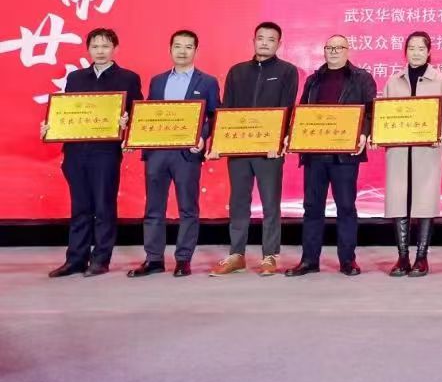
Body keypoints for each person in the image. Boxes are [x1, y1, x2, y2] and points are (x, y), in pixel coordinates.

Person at [44, 28, 143, 278]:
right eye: (95, 46)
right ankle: (75, 259)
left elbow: (138, 113)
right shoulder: (76, 78)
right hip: (76, 152)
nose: (100, 51)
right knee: (80, 207)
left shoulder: (128, 78)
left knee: (103, 206)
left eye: (105, 46)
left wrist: (127, 123)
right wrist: (50, 127)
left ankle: (100, 259)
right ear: (88, 49)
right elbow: (68, 112)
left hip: (105, 152)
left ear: (115, 49)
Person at [209, 22, 299, 277]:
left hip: (269, 150)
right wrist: (219, 143)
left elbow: (287, 108)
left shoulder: (287, 71)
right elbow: (227, 109)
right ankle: (236, 255)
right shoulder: (237, 71)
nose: (265, 43)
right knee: (238, 201)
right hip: (239, 149)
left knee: (270, 203)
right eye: (260, 38)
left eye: (271, 39)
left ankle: (270, 255)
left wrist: (278, 142)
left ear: (278, 44)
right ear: (254, 40)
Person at [128, 30, 220, 279]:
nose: (182, 51)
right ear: (170, 49)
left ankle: (183, 259)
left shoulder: (207, 82)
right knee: (153, 208)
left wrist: (203, 137)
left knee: (188, 208)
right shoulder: (157, 81)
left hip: (187, 155)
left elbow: (214, 115)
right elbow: (149, 114)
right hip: (157, 152)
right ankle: (154, 259)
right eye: (178, 46)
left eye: (188, 47)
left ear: (196, 51)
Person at [286, 34, 376, 277]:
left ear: (348, 50)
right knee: (312, 208)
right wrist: (293, 136)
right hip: (315, 155)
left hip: (344, 155)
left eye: (339, 47)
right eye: (329, 47)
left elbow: (371, 111)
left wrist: (364, 133)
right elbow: (302, 114)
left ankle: (347, 260)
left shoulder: (361, 78)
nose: (334, 51)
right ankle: (309, 260)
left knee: (345, 207)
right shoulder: (314, 79)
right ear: (324, 51)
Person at [379, 30, 442, 277]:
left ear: (429, 51)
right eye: (411, 48)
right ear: (405, 51)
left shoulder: (440, 80)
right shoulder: (394, 81)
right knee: (398, 199)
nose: (416, 53)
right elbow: (383, 113)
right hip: (399, 150)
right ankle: (402, 257)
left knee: (425, 200)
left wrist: (441, 134)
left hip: (427, 150)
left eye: (421, 48)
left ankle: (421, 258)